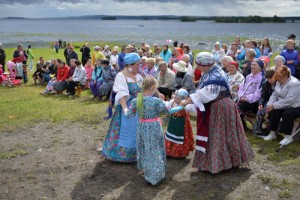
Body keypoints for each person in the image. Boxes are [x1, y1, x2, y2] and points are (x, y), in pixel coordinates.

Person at [180, 52, 254, 174]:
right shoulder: (212, 71)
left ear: (205, 65)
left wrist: (186, 101)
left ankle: (218, 164)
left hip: (221, 107)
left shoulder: (216, 76)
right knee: (223, 135)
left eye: (199, 65)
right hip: (218, 105)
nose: (198, 67)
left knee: (218, 135)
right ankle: (222, 162)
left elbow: (205, 94)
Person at [125, 76, 183, 185]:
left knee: (146, 148)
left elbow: (129, 114)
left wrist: (124, 108)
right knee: (155, 148)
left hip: (142, 126)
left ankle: (148, 173)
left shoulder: (136, 100)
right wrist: (181, 107)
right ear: (152, 88)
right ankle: (155, 175)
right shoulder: (155, 101)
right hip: (153, 127)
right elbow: (167, 111)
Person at [102, 53, 143, 162]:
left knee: (138, 130)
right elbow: (122, 95)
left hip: (139, 106)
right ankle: (121, 155)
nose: (140, 66)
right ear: (130, 65)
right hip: (128, 107)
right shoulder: (121, 76)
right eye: (138, 64)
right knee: (127, 130)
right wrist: (125, 109)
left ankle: (138, 153)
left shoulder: (138, 75)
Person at [264, 67, 300, 144]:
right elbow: (274, 94)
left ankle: (288, 137)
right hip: (284, 104)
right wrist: (270, 104)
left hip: (296, 105)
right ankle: (272, 133)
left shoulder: (295, 83)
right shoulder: (279, 81)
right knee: (274, 111)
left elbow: (289, 100)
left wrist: (274, 105)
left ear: (286, 77)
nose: (278, 81)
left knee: (287, 114)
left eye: (280, 79)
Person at [165, 89, 195, 158]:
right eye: (175, 97)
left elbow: (193, 108)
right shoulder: (172, 102)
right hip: (172, 124)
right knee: (170, 136)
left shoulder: (186, 105)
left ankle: (180, 154)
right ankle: (169, 151)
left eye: (178, 99)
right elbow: (166, 105)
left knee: (181, 138)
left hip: (182, 125)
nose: (176, 99)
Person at [238, 59, 264, 130]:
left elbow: (258, 94)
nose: (252, 66)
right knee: (234, 106)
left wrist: (246, 98)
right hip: (243, 99)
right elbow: (241, 88)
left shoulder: (261, 78)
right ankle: (241, 126)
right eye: (252, 65)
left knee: (238, 108)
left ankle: (241, 127)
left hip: (254, 102)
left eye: (255, 65)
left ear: (260, 67)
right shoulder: (248, 76)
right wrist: (241, 96)